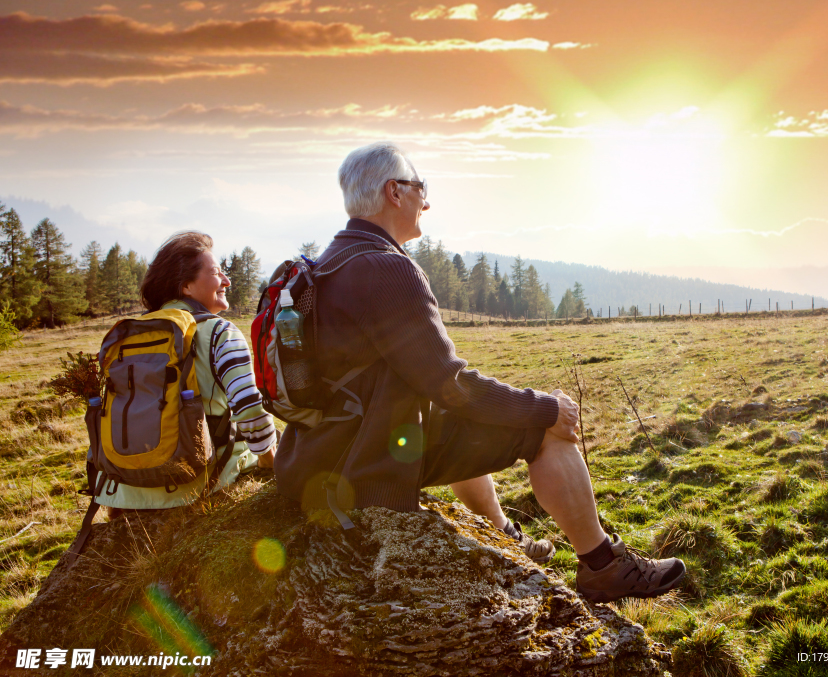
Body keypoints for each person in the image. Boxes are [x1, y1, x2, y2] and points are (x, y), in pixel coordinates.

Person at [275, 142, 686, 602]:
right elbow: (450, 386)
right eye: (419, 188)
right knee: (544, 432)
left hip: (315, 458)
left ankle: (506, 535)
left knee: (460, 420)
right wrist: (545, 407)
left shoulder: (324, 264)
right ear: (394, 192)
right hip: (360, 469)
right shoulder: (387, 269)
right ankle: (603, 567)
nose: (425, 202)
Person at [95, 232, 277, 514]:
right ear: (187, 287)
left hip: (125, 490)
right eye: (217, 273)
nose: (227, 281)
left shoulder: (130, 334)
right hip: (193, 484)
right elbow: (248, 407)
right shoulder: (221, 332)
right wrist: (269, 461)